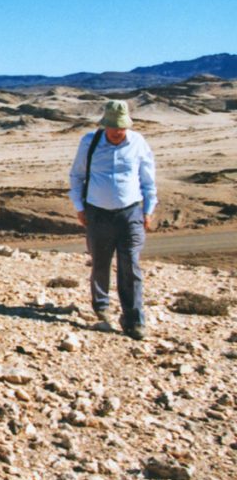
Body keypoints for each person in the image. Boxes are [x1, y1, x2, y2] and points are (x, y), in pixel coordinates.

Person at [69, 100, 156, 341]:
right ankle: (101, 304)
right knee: (100, 261)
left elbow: (148, 180)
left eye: (122, 127)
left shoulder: (138, 143)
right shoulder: (90, 142)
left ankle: (134, 319)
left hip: (130, 214)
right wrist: (79, 206)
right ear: (105, 125)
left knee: (131, 265)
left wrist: (148, 210)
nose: (118, 132)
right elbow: (76, 176)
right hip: (97, 213)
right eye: (114, 127)